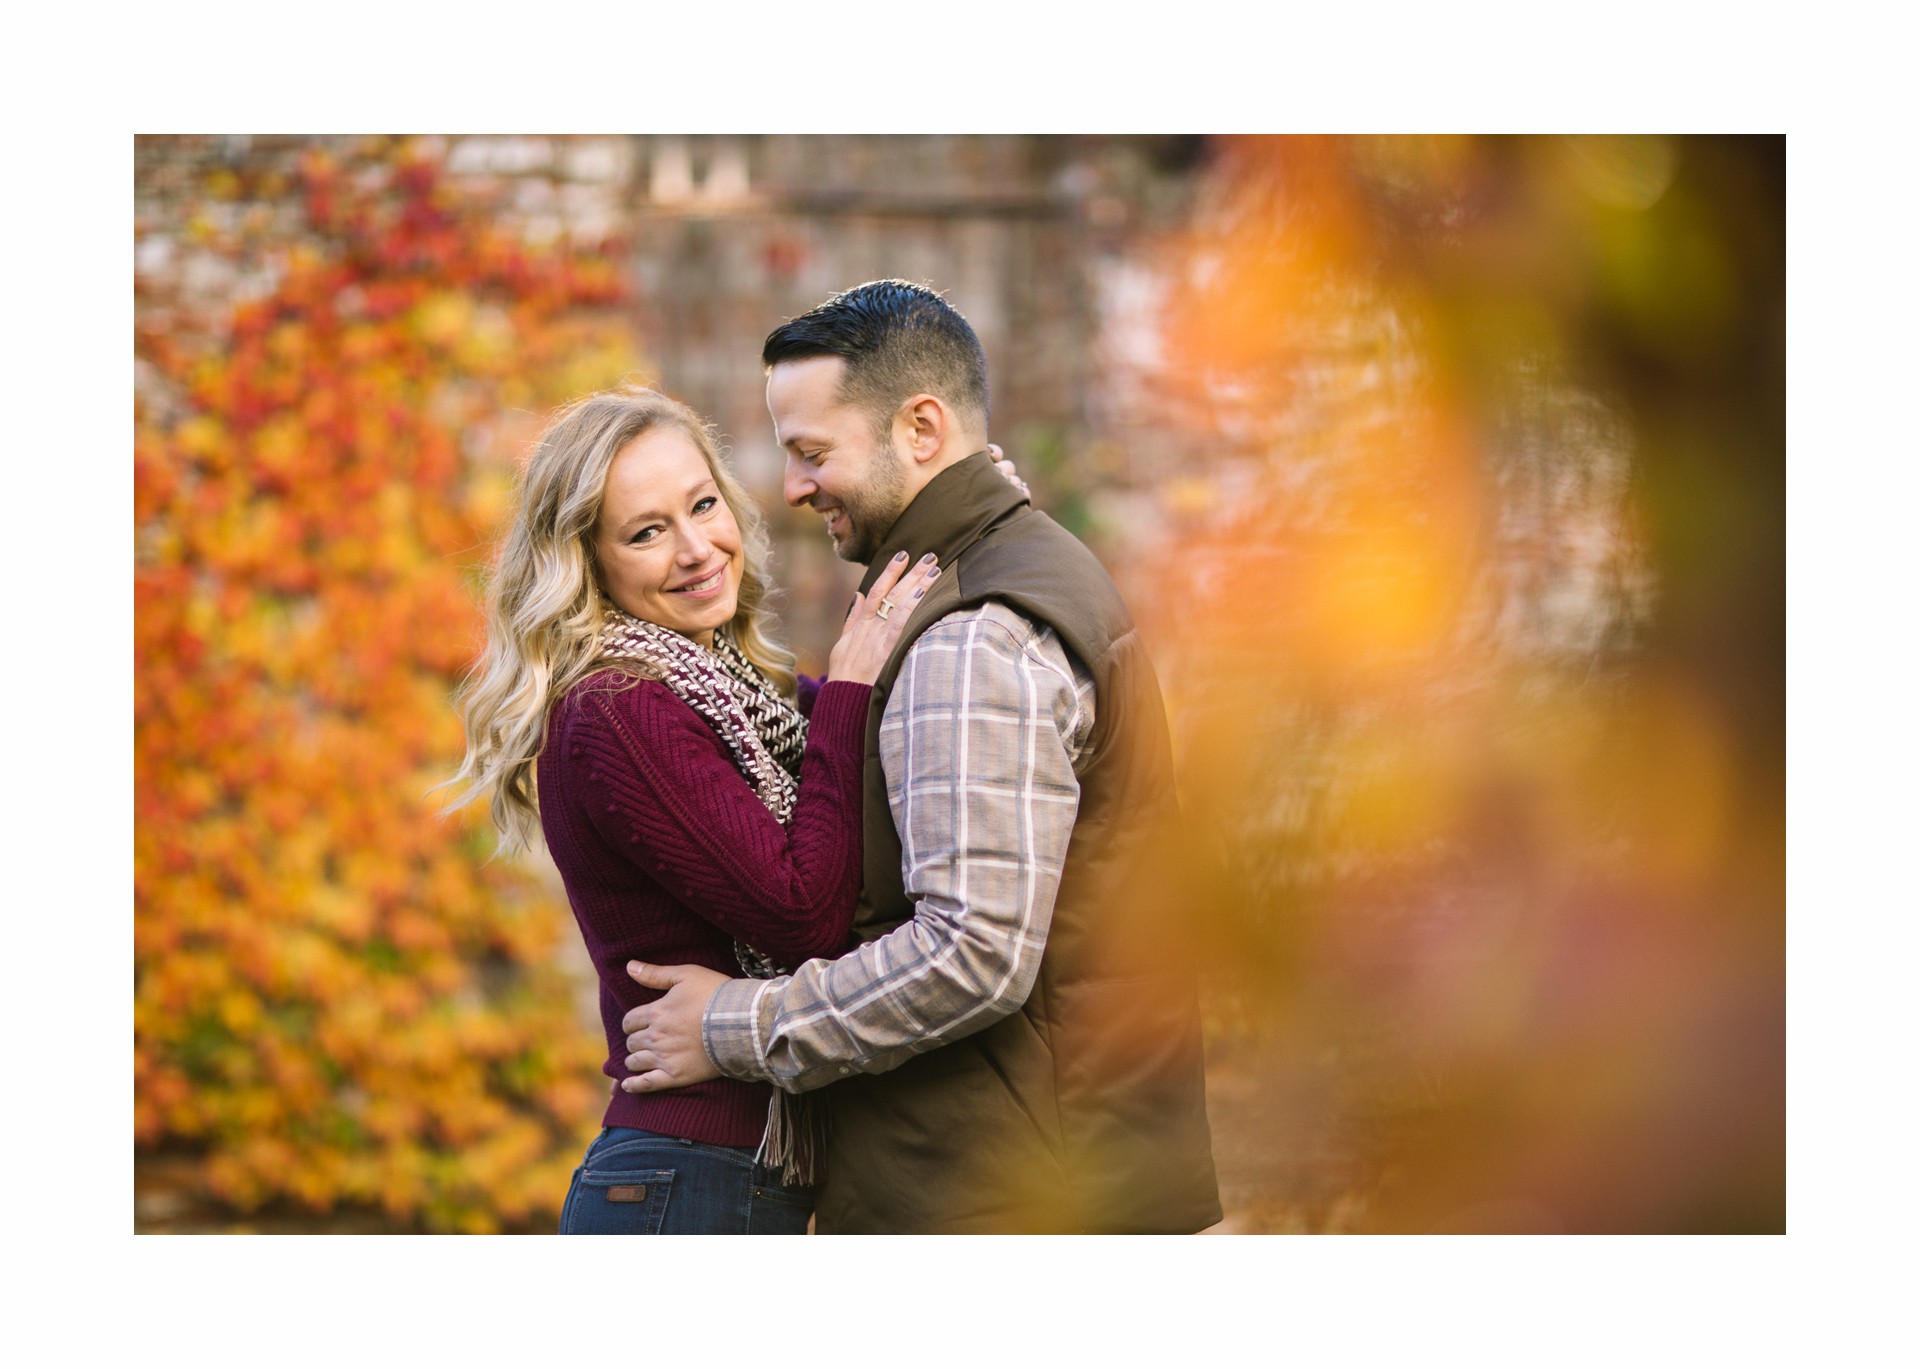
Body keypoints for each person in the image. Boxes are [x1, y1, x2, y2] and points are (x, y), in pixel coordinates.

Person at [618, 280, 1224, 1234]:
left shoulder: (973, 633)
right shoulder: (1023, 565)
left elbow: (971, 954)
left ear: (923, 430)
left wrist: (732, 1024)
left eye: (812, 452)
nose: (793, 488)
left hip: (999, 1191)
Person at [446, 386, 943, 1233]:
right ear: (589, 562)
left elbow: (848, 752)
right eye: (645, 532)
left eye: (702, 505)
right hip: (685, 1181)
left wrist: (957, 491)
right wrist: (852, 683)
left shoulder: (730, 694)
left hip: (721, 1177)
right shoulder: (618, 710)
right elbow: (803, 913)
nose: (695, 548)